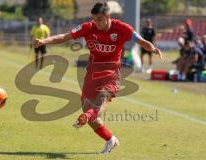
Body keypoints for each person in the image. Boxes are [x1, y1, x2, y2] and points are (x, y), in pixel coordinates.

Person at [34, 2, 162, 154]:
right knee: (89, 111)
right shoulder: (88, 27)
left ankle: (88, 115)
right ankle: (110, 139)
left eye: (99, 19)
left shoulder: (122, 28)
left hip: (111, 73)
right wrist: (44, 41)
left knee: (101, 99)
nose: (96, 23)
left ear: (108, 16)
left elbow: (140, 40)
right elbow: (65, 36)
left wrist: (152, 47)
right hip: (92, 73)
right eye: (94, 19)